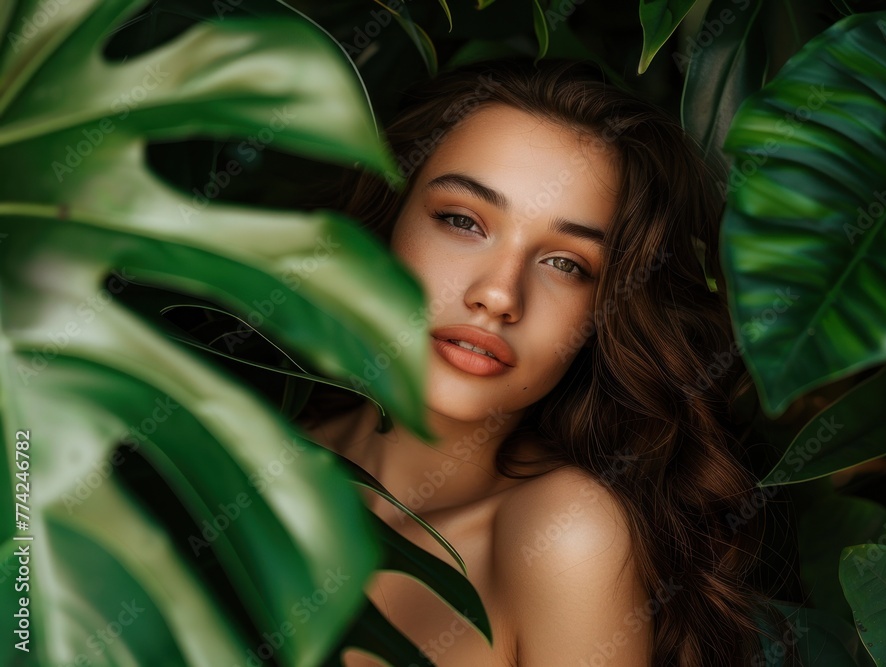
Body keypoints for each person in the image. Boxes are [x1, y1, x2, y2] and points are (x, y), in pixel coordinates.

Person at [298, 58, 772, 667]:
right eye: (462, 221)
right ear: (387, 222)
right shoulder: (234, 446)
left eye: (566, 264)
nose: (498, 295)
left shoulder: (565, 536)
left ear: (606, 315)